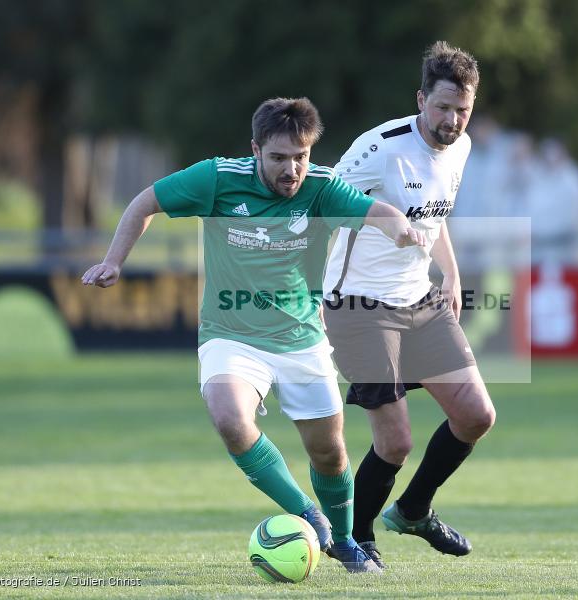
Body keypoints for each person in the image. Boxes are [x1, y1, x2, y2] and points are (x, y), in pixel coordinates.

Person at [81, 97, 427, 574]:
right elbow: (146, 202)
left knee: (329, 452)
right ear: (256, 150)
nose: (292, 169)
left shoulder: (323, 188)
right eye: (279, 158)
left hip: (301, 335)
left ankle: (346, 542)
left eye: (301, 157)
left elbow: (376, 211)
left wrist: (402, 229)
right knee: (229, 417)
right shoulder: (218, 180)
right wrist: (114, 261)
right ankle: (307, 513)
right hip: (230, 332)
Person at [322, 42, 496, 568]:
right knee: (395, 441)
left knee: (476, 415)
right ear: (421, 99)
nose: (452, 120)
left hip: (419, 298)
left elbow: (432, 216)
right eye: (442, 107)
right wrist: (383, 221)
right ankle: (355, 539)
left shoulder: (460, 148)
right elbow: (326, 203)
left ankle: (414, 510)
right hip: (359, 304)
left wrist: (451, 269)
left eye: (462, 110)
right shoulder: (381, 148)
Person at [525, 137, 578, 266]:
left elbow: (575, 214)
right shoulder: (537, 176)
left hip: (564, 248)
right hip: (538, 248)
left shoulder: (573, 179)